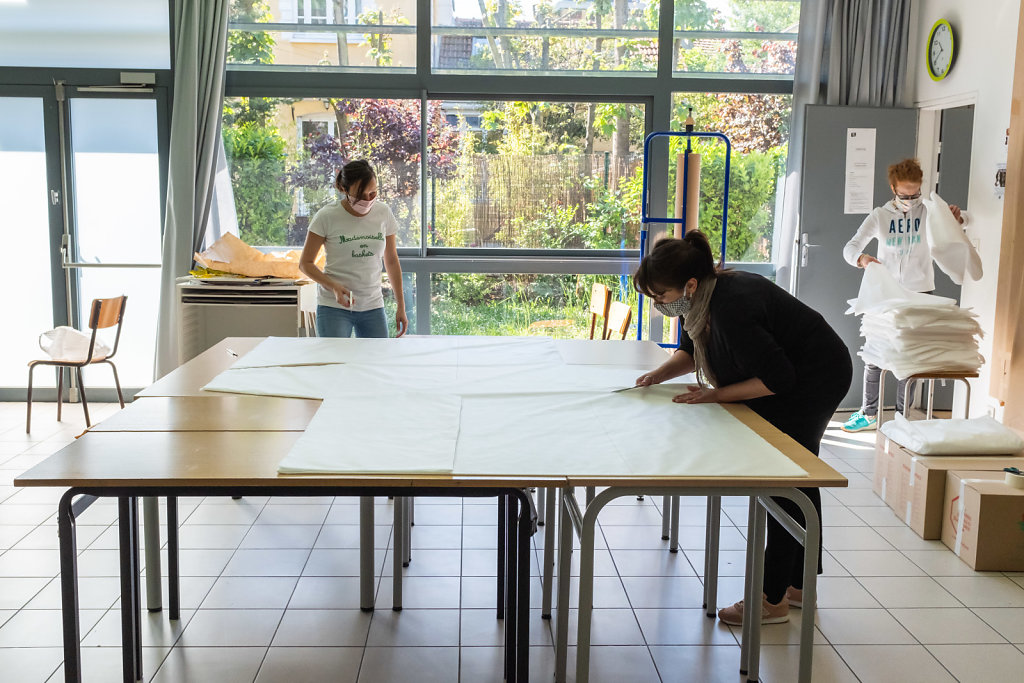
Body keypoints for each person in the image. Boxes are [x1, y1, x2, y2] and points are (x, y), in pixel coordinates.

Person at [633, 231, 852, 625]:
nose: (658, 304)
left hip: (815, 376)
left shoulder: (732, 308)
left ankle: (771, 601)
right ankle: (800, 586)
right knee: (801, 477)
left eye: (660, 295)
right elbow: (690, 347)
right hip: (801, 370)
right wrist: (658, 375)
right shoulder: (703, 301)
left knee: (787, 481)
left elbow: (778, 380)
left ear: (690, 284)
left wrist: (714, 395)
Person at [840, 158, 966, 432]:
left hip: (920, 291)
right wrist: (861, 259)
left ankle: (902, 416)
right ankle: (869, 412)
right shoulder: (880, 215)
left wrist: (956, 219)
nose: (910, 199)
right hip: (886, 292)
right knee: (875, 353)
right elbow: (850, 247)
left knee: (911, 356)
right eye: (904, 194)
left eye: (915, 193)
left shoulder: (930, 211)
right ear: (893, 188)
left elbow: (960, 223)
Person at [299, 159, 408, 338]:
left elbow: (391, 260)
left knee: (376, 361)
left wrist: (401, 306)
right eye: (360, 195)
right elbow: (305, 264)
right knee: (335, 363)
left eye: (373, 193)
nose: (367, 200)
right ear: (344, 189)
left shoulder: (384, 213)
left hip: (372, 305)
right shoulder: (327, 216)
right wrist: (334, 287)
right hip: (334, 307)